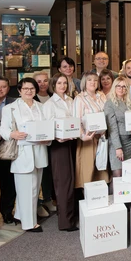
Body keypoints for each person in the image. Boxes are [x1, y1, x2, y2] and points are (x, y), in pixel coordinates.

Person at [0, 78, 49, 233]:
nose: (29, 91)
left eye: (32, 88)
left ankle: (21, 215)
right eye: (25, 88)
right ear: (19, 91)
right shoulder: (10, 108)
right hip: (22, 152)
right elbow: (2, 129)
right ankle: (29, 223)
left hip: (39, 151)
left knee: (34, 188)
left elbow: (47, 127)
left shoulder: (41, 107)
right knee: (27, 190)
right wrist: (12, 134)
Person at [43, 73, 78, 231]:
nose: (62, 86)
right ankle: (65, 222)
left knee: (72, 181)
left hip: (72, 142)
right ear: (53, 85)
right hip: (59, 145)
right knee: (63, 182)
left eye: (65, 83)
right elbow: (47, 127)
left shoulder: (70, 100)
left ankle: (72, 216)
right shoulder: (50, 104)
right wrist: (57, 137)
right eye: (59, 83)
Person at [0, 76, 17, 224]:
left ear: (8, 88)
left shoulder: (15, 103)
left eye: (3, 86)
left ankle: (7, 212)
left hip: (8, 146)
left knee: (8, 182)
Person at [73, 71, 108, 188]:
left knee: (101, 171)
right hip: (88, 139)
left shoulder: (102, 96)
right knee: (88, 171)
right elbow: (76, 120)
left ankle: (100, 195)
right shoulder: (79, 98)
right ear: (84, 82)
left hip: (102, 138)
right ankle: (87, 196)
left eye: (95, 80)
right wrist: (82, 136)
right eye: (89, 80)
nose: (93, 82)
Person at [32, 71, 55, 218]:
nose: (42, 84)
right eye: (39, 81)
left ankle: (48, 198)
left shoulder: (53, 97)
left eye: (45, 80)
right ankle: (38, 203)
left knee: (49, 172)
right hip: (37, 142)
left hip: (53, 140)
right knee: (37, 174)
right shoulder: (31, 98)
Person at [104, 77, 131, 178]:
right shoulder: (109, 104)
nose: (121, 89)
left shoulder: (128, 102)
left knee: (128, 174)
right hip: (117, 142)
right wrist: (118, 148)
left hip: (130, 141)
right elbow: (112, 128)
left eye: (124, 86)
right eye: (118, 86)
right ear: (114, 87)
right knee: (117, 174)